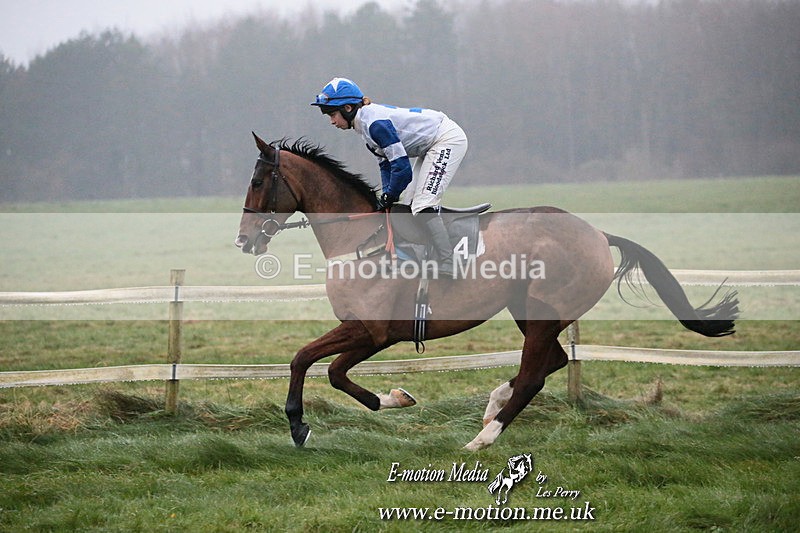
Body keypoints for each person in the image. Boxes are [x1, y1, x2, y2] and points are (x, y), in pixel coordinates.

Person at [311, 77, 468, 278]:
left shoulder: (375, 125)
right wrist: (387, 196)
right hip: (430, 145)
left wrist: (390, 195)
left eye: (332, 114)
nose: (331, 121)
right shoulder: (365, 126)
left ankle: (449, 261)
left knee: (423, 205)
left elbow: (402, 169)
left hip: (446, 139)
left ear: (348, 108)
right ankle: (423, 257)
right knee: (408, 204)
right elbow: (386, 165)